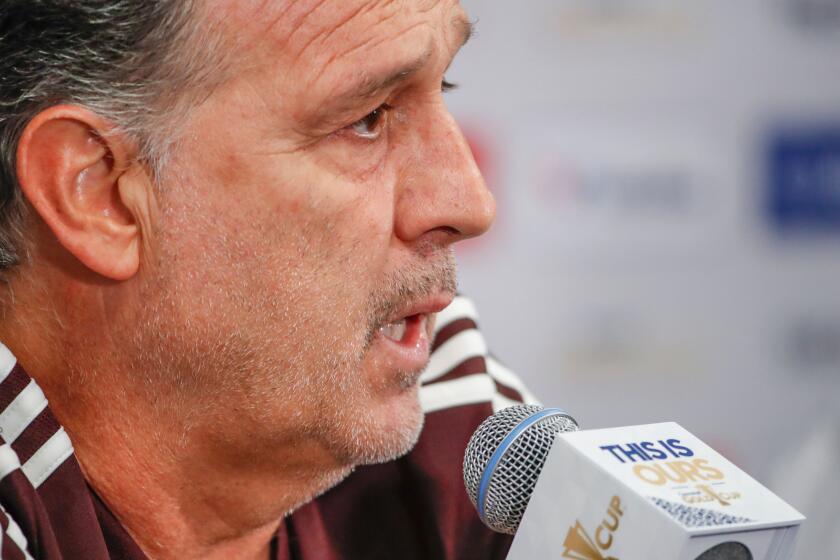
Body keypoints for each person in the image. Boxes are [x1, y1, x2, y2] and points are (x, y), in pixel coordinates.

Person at [0, 1, 535, 559]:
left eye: (443, 85)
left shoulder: (469, 427)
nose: (472, 204)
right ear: (101, 192)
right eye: (368, 118)